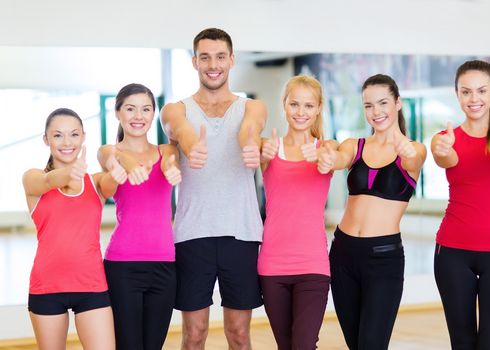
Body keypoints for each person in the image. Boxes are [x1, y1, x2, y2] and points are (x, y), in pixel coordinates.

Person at [160, 28, 267, 350]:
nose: (213, 64)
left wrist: (250, 143)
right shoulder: (176, 109)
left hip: (242, 233)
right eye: (205, 57)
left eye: (220, 56)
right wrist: (193, 147)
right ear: (195, 62)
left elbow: (251, 128)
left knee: (239, 333)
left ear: (231, 60)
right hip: (193, 234)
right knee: (194, 334)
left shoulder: (252, 107)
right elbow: (180, 130)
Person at [318, 74, 426, 349]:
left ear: (398, 103)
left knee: (371, 343)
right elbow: (340, 158)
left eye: (383, 103)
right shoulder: (356, 145)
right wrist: (330, 154)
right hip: (342, 254)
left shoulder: (413, 150)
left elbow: (415, 158)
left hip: (383, 259)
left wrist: (406, 151)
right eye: (368, 106)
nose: (376, 112)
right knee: (355, 343)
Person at [431, 60, 490, 350]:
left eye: (481, 90)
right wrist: (443, 151)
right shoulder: (445, 139)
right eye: (466, 92)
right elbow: (445, 158)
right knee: (461, 342)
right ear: (458, 95)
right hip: (452, 252)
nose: (474, 99)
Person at [22, 108, 118, 350]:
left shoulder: (94, 182)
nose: (67, 142)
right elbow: (47, 181)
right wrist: (69, 172)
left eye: (74, 135)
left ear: (83, 137)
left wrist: (118, 172)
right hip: (47, 288)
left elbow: (111, 183)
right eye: (57, 136)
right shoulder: (32, 178)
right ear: (46, 139)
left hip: (92, 287)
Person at [98, 83, 181, 350]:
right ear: (118, 113)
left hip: (165, 264)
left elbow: (172, 161)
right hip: (123, 265)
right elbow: (111, 157)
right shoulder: (108, 151)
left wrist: (171, 168)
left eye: (146, 109)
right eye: (130, 109)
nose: (138, 116)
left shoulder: (166, 152)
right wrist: (128, 163)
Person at [258, 75, 337, 350]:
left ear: (317, 109)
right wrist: (262, 155)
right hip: (272, 265)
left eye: (308, 105)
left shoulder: (327, 147)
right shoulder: (268, 147)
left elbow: (335, 159)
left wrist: (327, 160)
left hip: (312, 265)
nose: (301, 112)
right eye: (294, 104)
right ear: (284, 105)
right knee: (285, 346)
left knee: (303, 344)